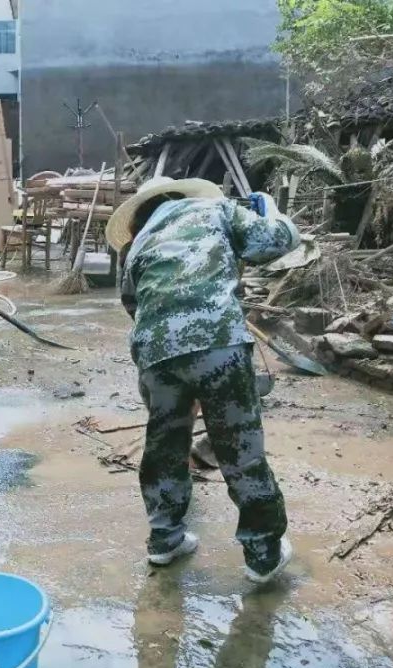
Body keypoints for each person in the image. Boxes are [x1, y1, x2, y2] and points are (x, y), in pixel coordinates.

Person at [106, 177, 300, 583]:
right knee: (238, 446)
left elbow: (132, 303)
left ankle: (165, 539)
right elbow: (277, 242)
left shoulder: (136, 244)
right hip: (219, 343)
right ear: (180, 196)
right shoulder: (216, 209)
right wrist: (271, 209)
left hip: (155, 351)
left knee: (165, 444)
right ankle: (263, 554)